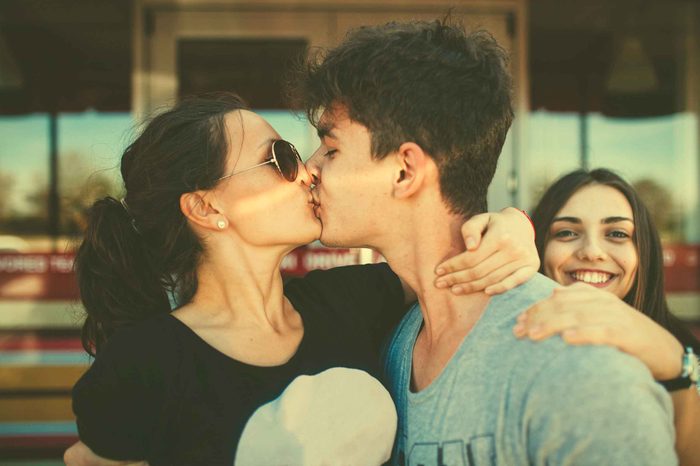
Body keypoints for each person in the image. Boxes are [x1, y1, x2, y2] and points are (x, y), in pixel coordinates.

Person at [63, 93, 538, 466]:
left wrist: (512, 226)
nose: (308, 170)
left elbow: (447, 260)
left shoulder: (352, 301)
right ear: (207, 208)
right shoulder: (142, 365)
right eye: (280, 158)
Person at [295, 19, 677, 465]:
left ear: (404, 171)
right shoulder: (397, 344)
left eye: (331, 149)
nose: (310, 168)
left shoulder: (579, 372)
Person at [506, 168, 700, 465]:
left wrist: (678, 370)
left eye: (617, 234)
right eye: (567, 232)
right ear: (539, 248)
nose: (592, 252)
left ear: (643, 252)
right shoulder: (506, 350)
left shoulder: (686, 356)